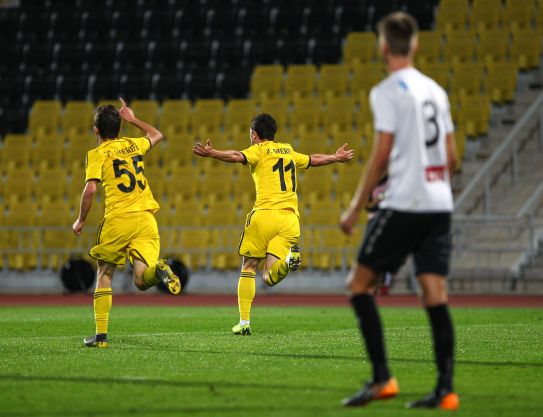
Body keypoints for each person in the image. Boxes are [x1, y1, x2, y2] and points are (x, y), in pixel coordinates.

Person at [339, 12, 459, 410]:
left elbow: (381, 153)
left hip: (406, 201)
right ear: (416, 45)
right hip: (439, 202)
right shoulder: (436, 91)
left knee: (358, 285)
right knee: (434, 293)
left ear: (383, 47)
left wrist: (357, 206)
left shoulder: (386, 91)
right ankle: (446, 390)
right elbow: (453, 156)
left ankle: (381, 379)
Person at [193, 113, 353, 335]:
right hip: (289, 219)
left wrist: (213, 153)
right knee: (269, 277)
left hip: (264, 216)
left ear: (254, 134)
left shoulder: (258, 150)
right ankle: (287, 261)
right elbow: (312, 159)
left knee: (248, 267)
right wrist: (336, 158)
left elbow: (236, 155)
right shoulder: (287, 150)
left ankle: (244, 323)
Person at [73, 99, 181, 348]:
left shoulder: (97, 154)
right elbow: (157, 134)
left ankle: (100, 337)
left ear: (96, 131)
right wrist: (133, 119)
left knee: (104, 272)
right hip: (146, 219)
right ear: (120, 128)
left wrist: (81, 220)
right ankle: (160, 270)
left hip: (118, 219)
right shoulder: (134, 144)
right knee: (142, 280)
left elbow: (90, 190)